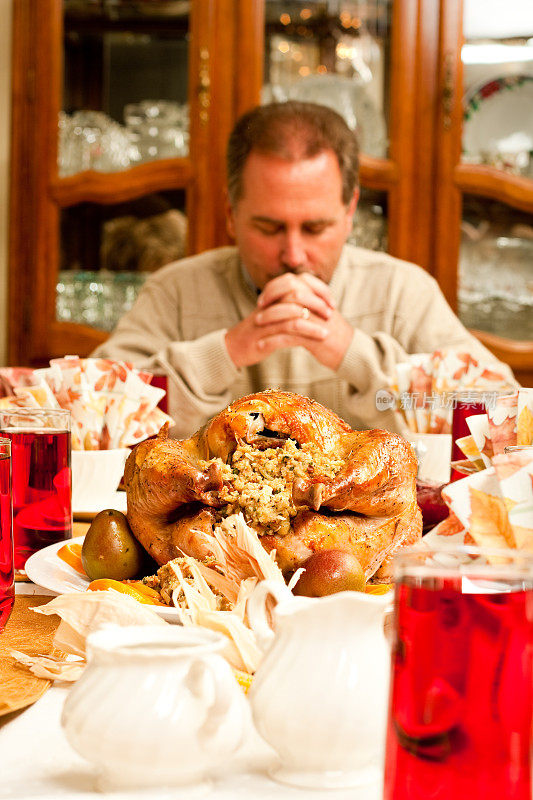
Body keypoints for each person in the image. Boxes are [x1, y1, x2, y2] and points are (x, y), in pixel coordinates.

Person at [93, 101, 515, 437]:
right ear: (230, 214)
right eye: (269, 227)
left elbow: (503, 412)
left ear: (349, 211)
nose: (293, 255)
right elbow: (88, 414)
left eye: (315, 228)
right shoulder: (177, 291)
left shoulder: (402, 292)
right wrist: (226, 352)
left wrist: (355, 356)